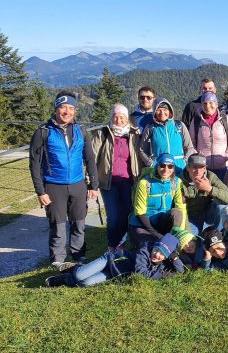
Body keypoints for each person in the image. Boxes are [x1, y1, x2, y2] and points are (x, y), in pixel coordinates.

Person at [29, 91, 99, 267]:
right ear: (56, 108)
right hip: (54, 185)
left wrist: (94, 185)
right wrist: (40, 191)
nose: (67, 112)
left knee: (79, 223)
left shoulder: (81, 131)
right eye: (63, 107)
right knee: (58, 226)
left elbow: (90, 159)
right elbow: (34, 164)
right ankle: (58, 260)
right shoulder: (43, 132)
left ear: (75, 110)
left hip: (78, 184)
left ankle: (79, 256)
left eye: (71, 108)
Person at [44, 233, 185, 287]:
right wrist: (162, 274)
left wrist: (175, 257)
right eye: (156, 250)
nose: (156, 255)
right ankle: (74, 267)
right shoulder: (144, 252)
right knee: (79, 275)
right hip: (110, 259)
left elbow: (181, 272)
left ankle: (65, 279)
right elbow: (142, 273)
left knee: (85, 283)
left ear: (167, 256)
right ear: (154, 247)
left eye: (162, 254)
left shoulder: (163, 263)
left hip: (112, 273)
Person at [92, 103, 143, 251]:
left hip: (129, 181)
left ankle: (125, 243)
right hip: (109, 182)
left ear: (127, 118)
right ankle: (113, 245)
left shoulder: (134, 134)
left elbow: (140, 156)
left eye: (122, 117)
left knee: (128, 213)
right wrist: (91, 182)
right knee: (113, 216)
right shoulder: (103, 133)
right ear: (111, 117)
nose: (118, 120)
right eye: (115, 116)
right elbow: (92, 157)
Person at [128, 153, 186, 248]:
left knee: (177, 213)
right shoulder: (144, 183)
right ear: (157, 165)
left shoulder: (176, 182)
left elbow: (181, 207)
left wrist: (180, 232)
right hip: (143, 224)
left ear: (174, 168)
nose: (166, 170)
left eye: (170, 166)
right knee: (150, 247)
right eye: (162, 165)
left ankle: (171, 241)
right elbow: (140, 213)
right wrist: (157, 235)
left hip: (161, 222)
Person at [188, 91, 228, 180]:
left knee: (221, 192)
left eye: (211, 103)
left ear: (216, 104)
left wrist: (226, 156)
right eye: (205, 103)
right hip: (203, 168)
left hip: (223, 167)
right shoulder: (196, 121)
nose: (208, 106)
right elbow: (191, 143)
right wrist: (197, 158)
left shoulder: (224, 119)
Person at [181, 154, 228, 235]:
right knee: (191, 239)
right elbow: (179, 209)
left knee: (222, 205)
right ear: (188, 167)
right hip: (191, 217)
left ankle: (218, 235)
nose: (198, 171)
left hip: (208, 213)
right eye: (194, 167)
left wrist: (209, 188)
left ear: (205, 168)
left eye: (201, 167)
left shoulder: (210, 176)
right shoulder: (179, 181)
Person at [139, 98, 196, 174]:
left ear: (170, 112)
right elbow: (142, 150)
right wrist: (151, 163)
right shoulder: (150, 128)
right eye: (158, 110)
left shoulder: (179, 126)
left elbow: (189, 147)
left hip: (179, 167)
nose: (162, 112)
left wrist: (184, 162)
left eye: (165, 109)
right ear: (155, 112)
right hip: (160, 168)